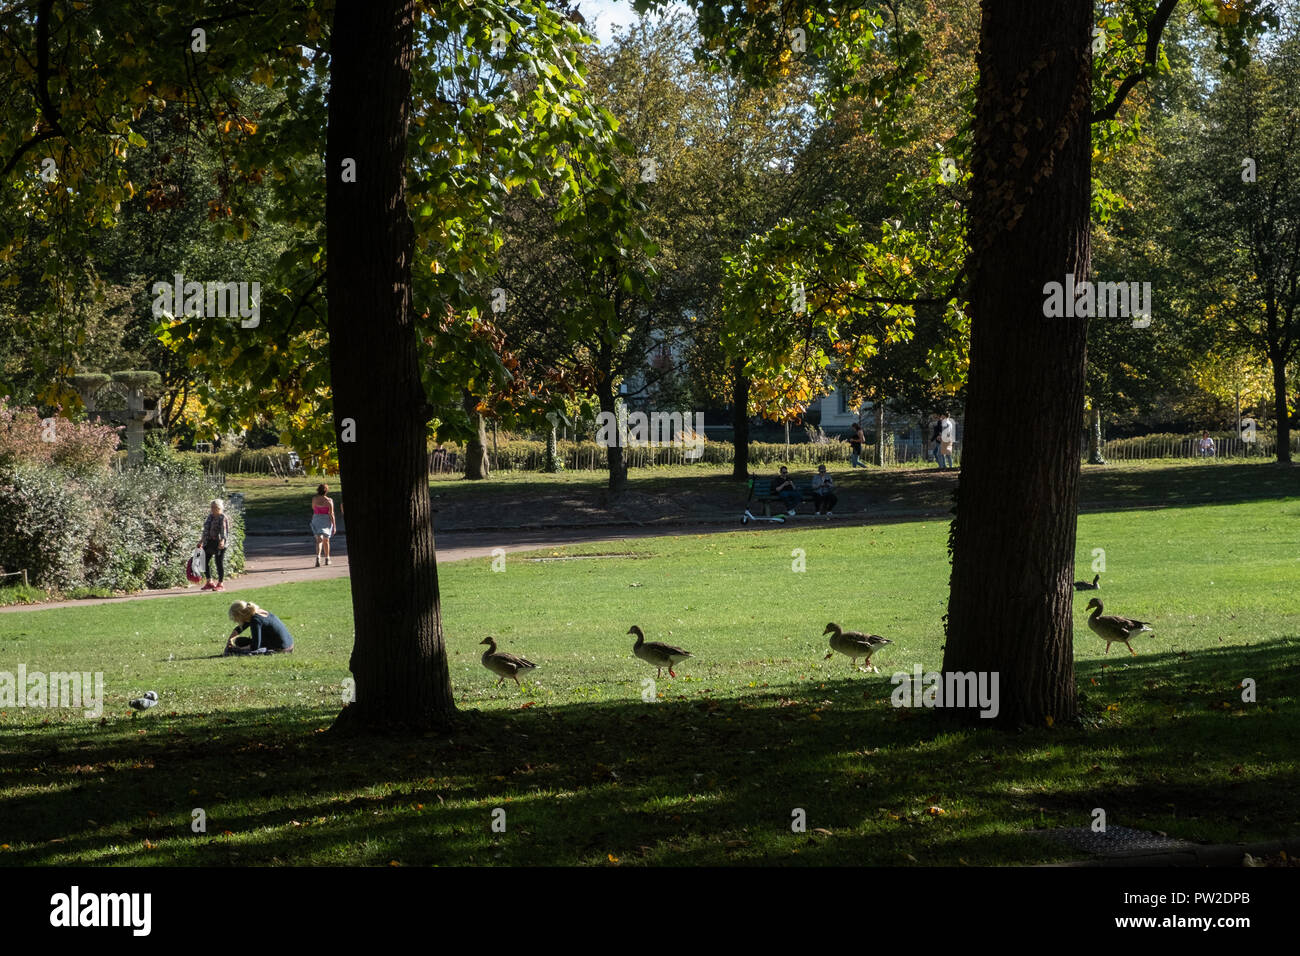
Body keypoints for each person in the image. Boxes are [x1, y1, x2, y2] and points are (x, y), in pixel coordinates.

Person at [224, 601, 294, 655]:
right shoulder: (257, 612)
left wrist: (237, 649)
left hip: (282, 648)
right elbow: (239, 629)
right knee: (239, 641)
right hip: (289, 644)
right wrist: (229, 640)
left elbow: (255, 646)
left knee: (243, 650)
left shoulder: (256, 621)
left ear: (240, 616)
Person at [197, 499, 230, 592]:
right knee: (203, 561)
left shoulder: (223, 517)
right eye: (211, 507)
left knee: (218, 562)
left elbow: (224, 531)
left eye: (214, 507)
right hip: (209, 542)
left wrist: (222, 541)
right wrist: (201, 541)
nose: (212, 509)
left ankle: (220, 583)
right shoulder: (210, 517)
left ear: (219, 508)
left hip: (219, 542)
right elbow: (206, 530)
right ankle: (209, 581)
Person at [311, 483, 337, 567]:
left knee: (319, 540)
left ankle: (318, 557)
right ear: (326, 491)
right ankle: (327, 558)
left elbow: (313, 508)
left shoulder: (314, 499)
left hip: (316, 519)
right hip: (326, 520)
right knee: (326, 540)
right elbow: (331, 514)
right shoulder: (329, 501)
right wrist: (334, 525)